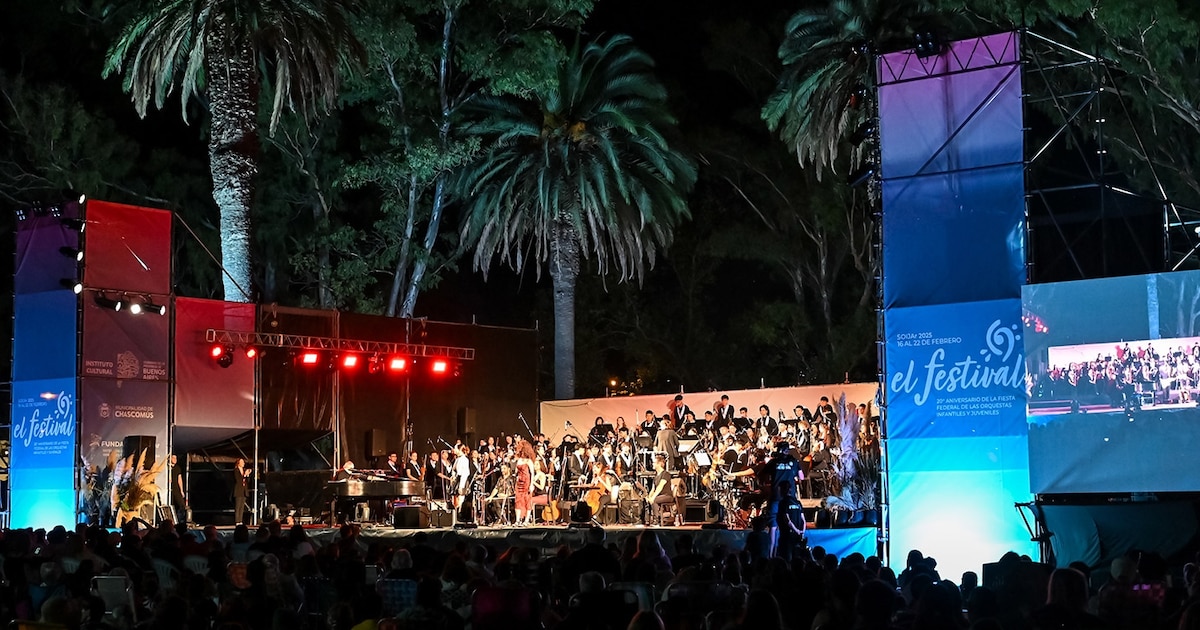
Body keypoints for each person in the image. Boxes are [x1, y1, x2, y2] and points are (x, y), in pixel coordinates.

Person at [759, 440, 805, 558]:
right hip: (790, 499)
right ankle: (790, 556)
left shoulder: (773, 462)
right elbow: (802, 477)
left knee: (773, 527)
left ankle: (771, 555)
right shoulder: (794, 462)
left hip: (776, 497)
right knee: (789, 526)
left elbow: (762, 475)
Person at [513, 439, 536, 526]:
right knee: (518, 500)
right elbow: (516, 471)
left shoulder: (529, 461)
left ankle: (526, 520)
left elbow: (532, 473)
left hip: (526, 481)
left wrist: (531, 484)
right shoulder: (519, 460)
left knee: (527, 499)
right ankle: (517, 520)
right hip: (519, 482)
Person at [646, 455, 674, 525]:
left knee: (655, 500)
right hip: (659, 496)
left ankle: (657, 519)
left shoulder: (665, 474)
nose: (652, 464)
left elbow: (660, 487)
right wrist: (649, 497)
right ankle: (646, 519)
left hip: (667, 495)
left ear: (659, 464)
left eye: (654, 463)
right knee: (646, 500)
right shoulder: (656, 476)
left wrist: (653, 497)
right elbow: (653, 489)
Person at [233, 457, 251, 525]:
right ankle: (237, 521)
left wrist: (247, 475)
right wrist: (244, 475)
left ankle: (240, 520)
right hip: (238, 490)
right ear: (238, 463)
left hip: (244, 491)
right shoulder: (236, 470)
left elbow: (247, 481)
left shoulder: (244, 470)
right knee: (238, 506)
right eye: (242, 462)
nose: (243, 463)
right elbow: (238, 480)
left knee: (242, 507)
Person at [170, 453, 187, 524]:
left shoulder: (177, 468)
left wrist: (181, 490)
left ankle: (181, 520)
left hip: (176, 489)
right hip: (169, 489)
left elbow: (179, 479)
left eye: (176, 458)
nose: (175, 460)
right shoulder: (167, 467)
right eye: (173, 458)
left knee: (181, 504)